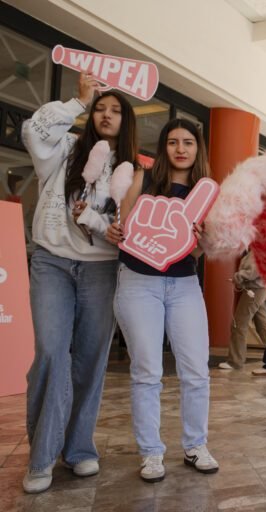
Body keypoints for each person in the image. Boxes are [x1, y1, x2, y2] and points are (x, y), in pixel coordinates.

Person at [21, 72, 138, 493]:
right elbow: (32, 132)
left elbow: (135, 221)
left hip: (102, 269)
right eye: (101, 109)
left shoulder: (131, 169)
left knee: (90, 361)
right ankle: (41, 457)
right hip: (52, 263)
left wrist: (114, 228)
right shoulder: (65, 148)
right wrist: (77, 101)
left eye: (115, 110)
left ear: (127, 121)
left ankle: (79, 448)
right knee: (52, 353)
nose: (106, 115)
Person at [110, 118, 218, 483]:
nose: (181, 149)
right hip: (138, 282)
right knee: (147, 372)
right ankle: (151, 453)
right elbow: (122, 228)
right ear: (164, 147)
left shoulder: (205, 195)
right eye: (173, 142)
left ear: (197, 148)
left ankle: (195, 445)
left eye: (188, 142)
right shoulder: (143, 179)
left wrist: (203, 243)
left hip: (184, 284)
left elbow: (195, 253)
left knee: (196, 371)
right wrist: (114, 230)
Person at [218, 250, 266, 370]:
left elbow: (254, 271)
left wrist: (238, 276)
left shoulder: (257, 250)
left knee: (238, 324)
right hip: (259, 289)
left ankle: (235, 361)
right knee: (263, 326)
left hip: (254, 290)